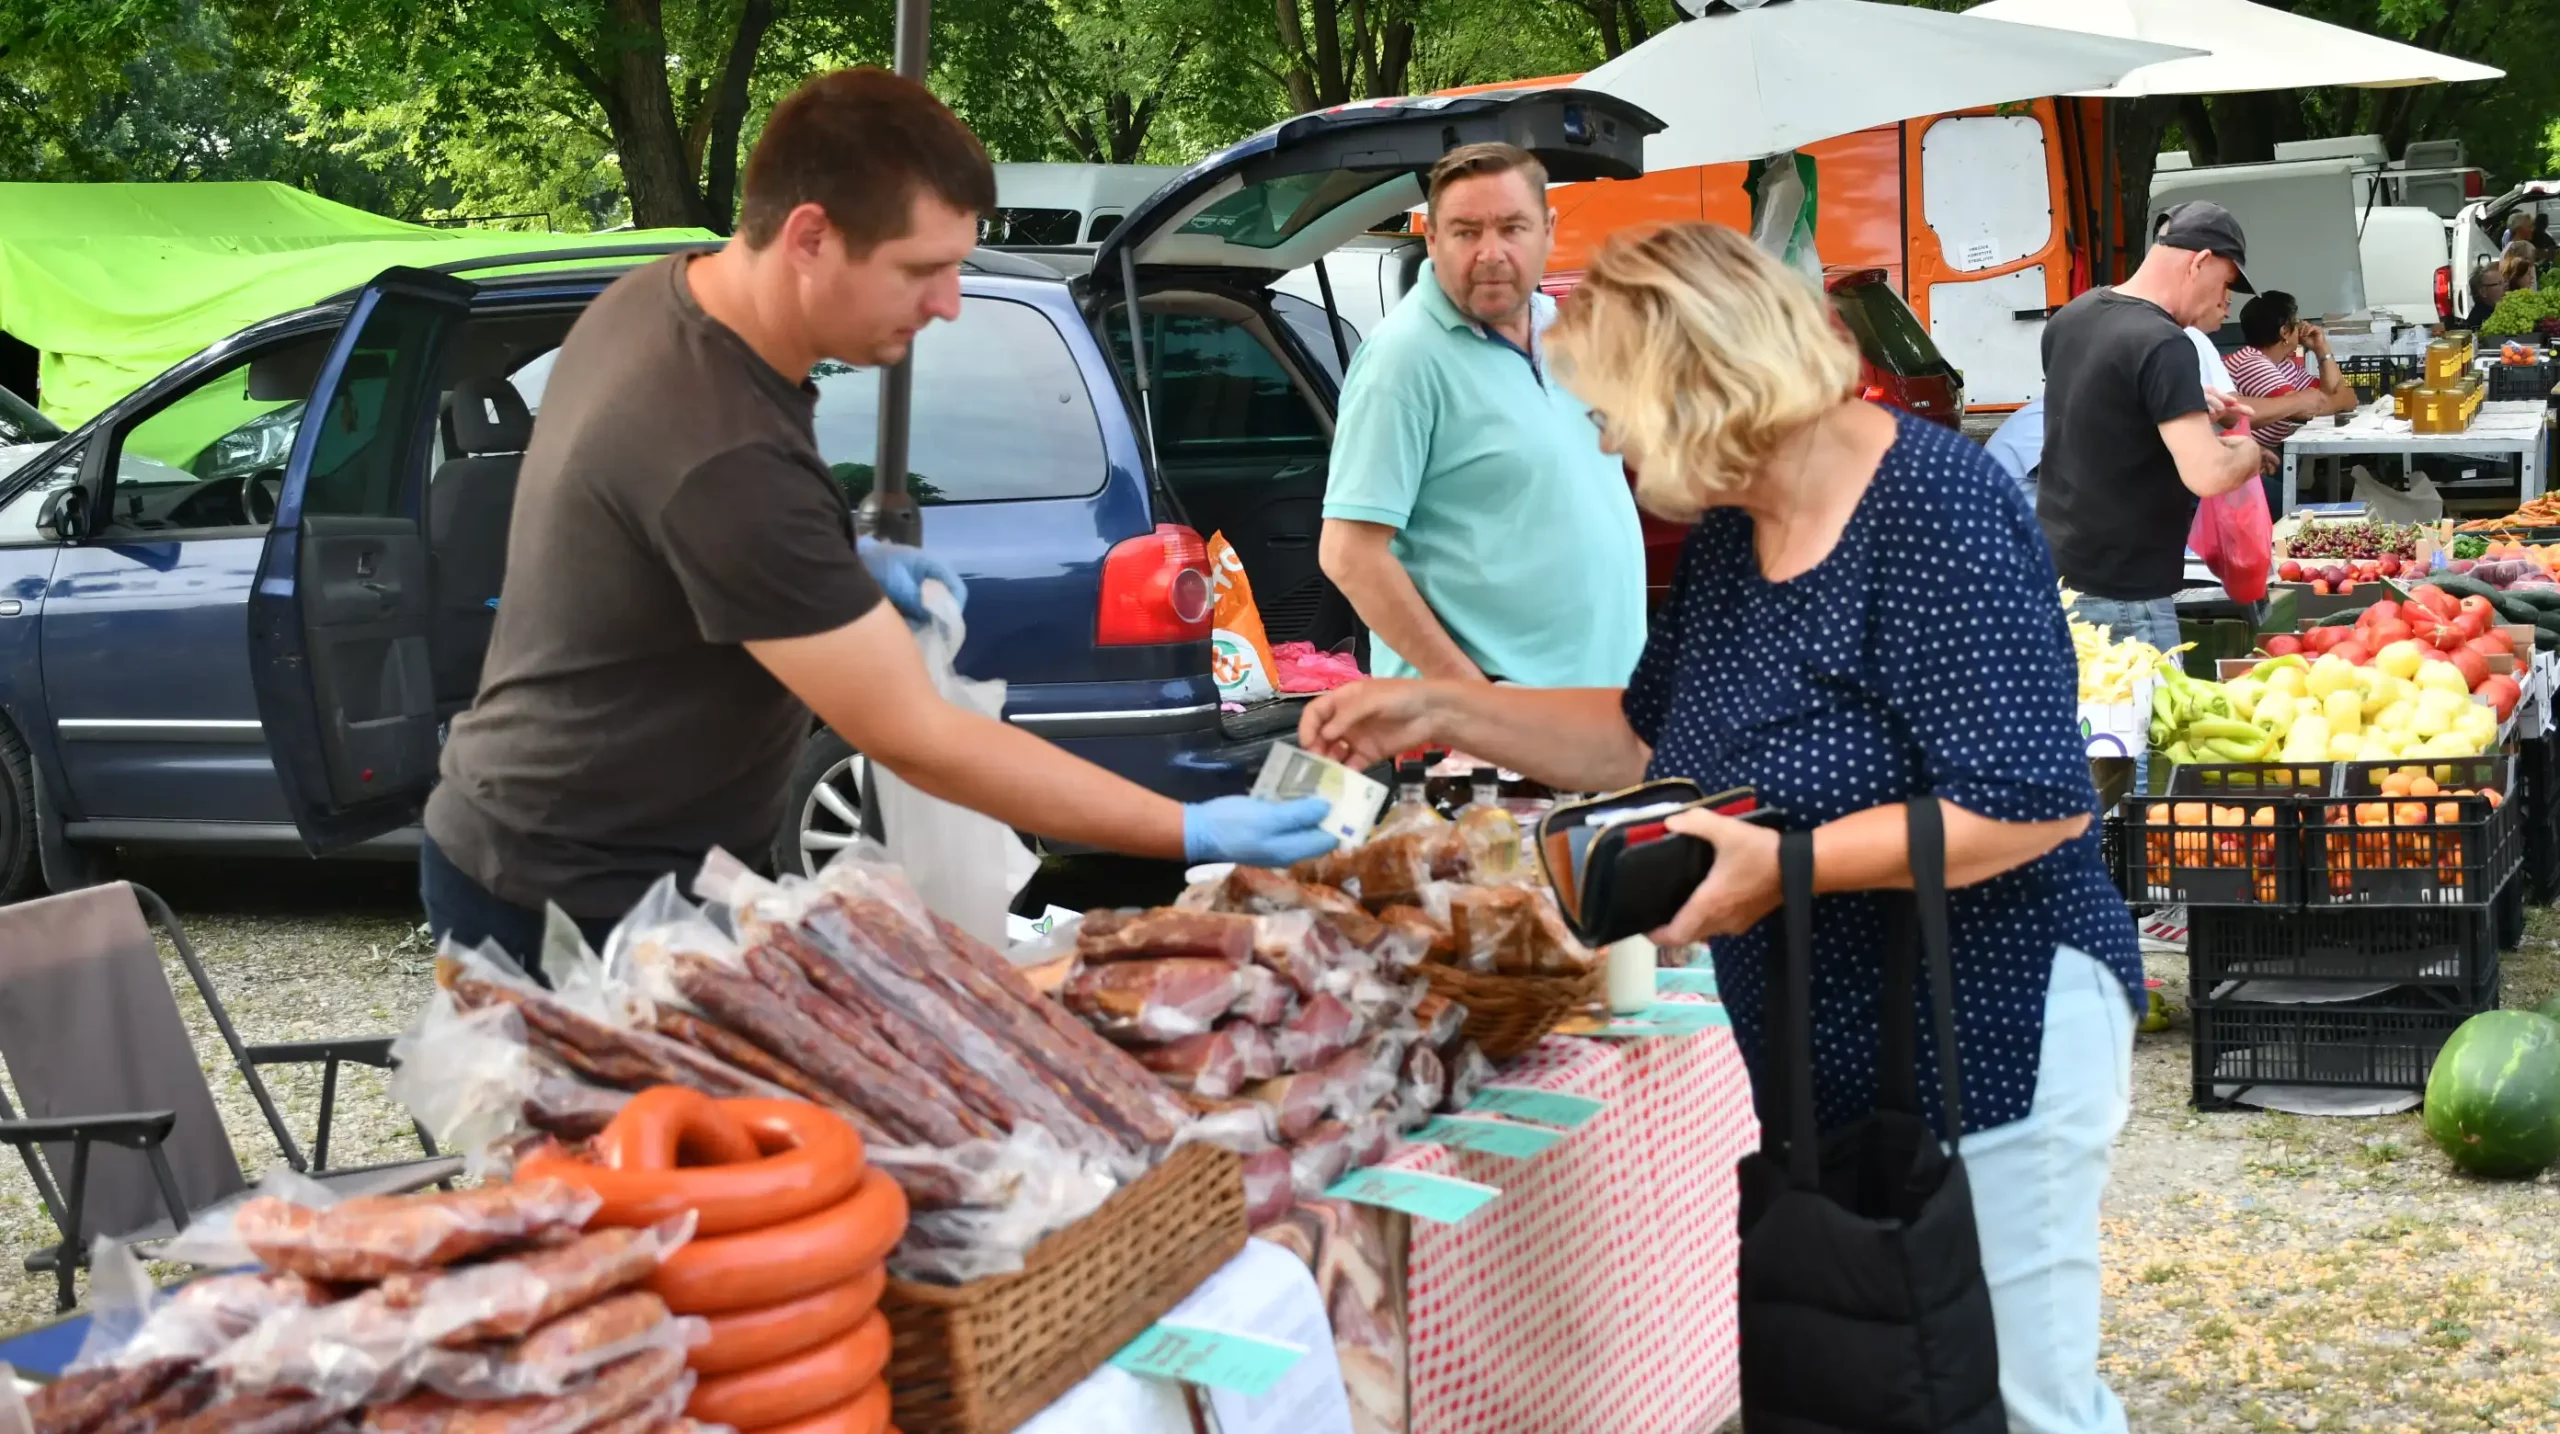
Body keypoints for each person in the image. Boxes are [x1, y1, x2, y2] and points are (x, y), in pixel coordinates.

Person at [1299, 222, 2140, 1434]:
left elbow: (2030, 805)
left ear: (1694, 388)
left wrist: (1787, 869)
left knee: (2013, 1395)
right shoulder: (1733, 545)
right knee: (1895, 1385)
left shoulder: (1932, 506)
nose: (1600, 435)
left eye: (1610, 406)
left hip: (1990, 1024)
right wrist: (1442, 704)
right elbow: (1645, 742)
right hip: (1831, 1041)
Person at [420, 67, 1333, 960]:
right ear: (811, 237)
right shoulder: (720, 442)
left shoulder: (674, 299)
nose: (946, 303)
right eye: (921, 271)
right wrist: (1186, 827)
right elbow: (918, 737)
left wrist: (841, 553)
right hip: (569, 891)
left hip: (612, 852)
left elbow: (668, 528)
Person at [1318, 142, 1646, 688]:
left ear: (1549, 229)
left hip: (1600, 714)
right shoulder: (1402, 358)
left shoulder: (1566, 332)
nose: (1490, 252)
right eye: (1467, 231)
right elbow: (1350, 553)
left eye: (1512, 227)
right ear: (1432, 238)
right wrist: (1472, 696)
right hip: (1483, 736)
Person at [2037, 200, 2261, 660]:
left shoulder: (2073, 317)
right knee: (2151, 728)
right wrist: (2249, 451)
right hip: (2125, 596)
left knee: (2093, 727)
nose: (2222, 302)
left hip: (2058, 576)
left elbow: (2101, 411)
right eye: (2224, 284)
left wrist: (2181, 400)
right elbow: (2210, 474)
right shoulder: (2165, 343)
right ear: (2199, 262)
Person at [2224, 290, 2357, 514]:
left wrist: (2321, 348)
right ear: (2285, 331)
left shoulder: (2282, 364)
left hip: (2268, 457)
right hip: (2248, 465)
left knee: (2314, 505)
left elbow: (2332, 391)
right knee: (2310, 512)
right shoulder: (2251, 362)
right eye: (2296, 322)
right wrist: (2340, 399)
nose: (2302, 326)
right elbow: (2303, 410)